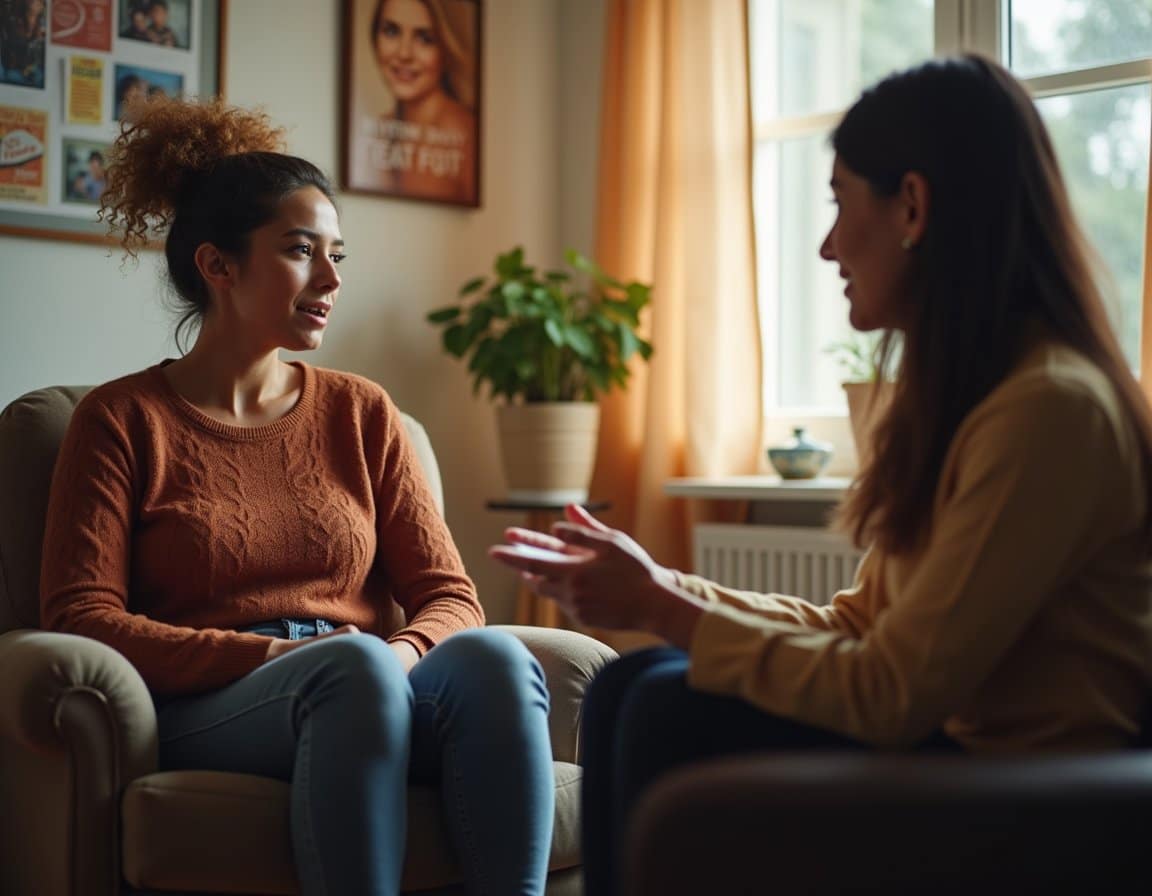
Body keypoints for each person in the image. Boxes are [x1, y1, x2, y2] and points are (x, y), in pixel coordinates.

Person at [489, 53, 1152, 896]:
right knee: (629, 686)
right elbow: (859, 623)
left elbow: (891, 692)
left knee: (661, 705)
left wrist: (664, 608)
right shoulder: (969, 400)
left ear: (912, 206)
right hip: (945, 745)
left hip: (1027, 793)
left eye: (841, 202)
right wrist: (666, 587)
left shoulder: (1049, 410)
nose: (827, 243)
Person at [40, 95, 554, 896]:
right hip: (227, 702)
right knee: (347, 671)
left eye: (337, 255)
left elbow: (451, 595)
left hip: (372, 676)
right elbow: (81, 617)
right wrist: (284, 655)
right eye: (300, 251)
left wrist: (401, 654)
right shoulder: (120, 421)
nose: (331, 278)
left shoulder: (362, 410)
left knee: (494, 657)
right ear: (218, 265)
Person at [368, 0, 477, 203]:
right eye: (391, 31)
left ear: (446, 46)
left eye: (425, 39)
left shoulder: (464, 130)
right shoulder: (381, 127)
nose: (404, 53)